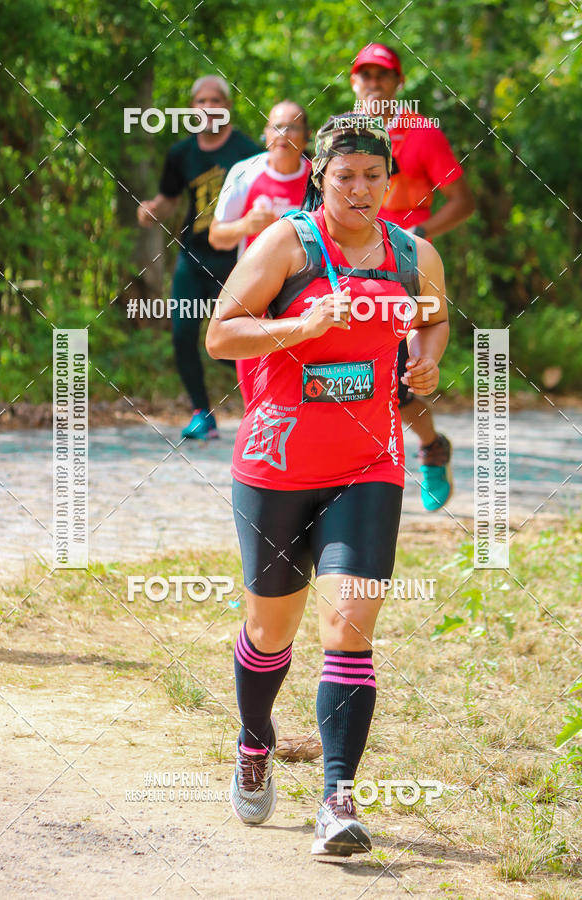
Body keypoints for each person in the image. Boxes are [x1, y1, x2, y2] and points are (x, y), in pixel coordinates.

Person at [206, 113, 449, 856]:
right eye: (345, 176)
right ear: (321, 177)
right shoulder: (288, 243)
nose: (361, 189)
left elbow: (435, 316)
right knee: (270, 633)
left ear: (391, 181)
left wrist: (426, 357)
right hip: (278, 466)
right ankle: (255, 740)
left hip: (367, 464)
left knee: (349, 627)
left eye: (375, 176)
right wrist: (303, 327)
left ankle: (337, 799)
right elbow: (221, 333)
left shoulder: (412, 253)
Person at [351, 43, 475, 510]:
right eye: (365, 75)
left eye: (383, 75)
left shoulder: (423, 133)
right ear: (352, 81)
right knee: (346, 367)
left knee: (400, 379)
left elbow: (463, 201)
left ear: (399, 83)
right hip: (346, 262)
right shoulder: (344, 133)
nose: (373, 83)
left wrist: (420, 229)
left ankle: (431, 447)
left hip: (405, 266)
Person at [137, 75, 260, 440]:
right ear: (192, 109)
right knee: (182, 332)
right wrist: (151, 210)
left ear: (227, 106)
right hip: (193, 256)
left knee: (238, 340)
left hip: (237, 261)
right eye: (201, 102)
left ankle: (265, 409)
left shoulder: (248, 152)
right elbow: (170, 198)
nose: (208, 108)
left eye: (216, 101)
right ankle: (202, 414)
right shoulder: (181, 154)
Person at [209, 100, 311, 406]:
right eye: (276, 126)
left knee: (299, 390)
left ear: (305, 137)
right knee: (255, 391)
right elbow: (216, 235)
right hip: (256, 295)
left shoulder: (318, 178)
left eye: (291, 127)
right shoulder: (244, 172)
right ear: (266, 134)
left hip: (302, 293)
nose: (283, 134)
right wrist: (245, 224)